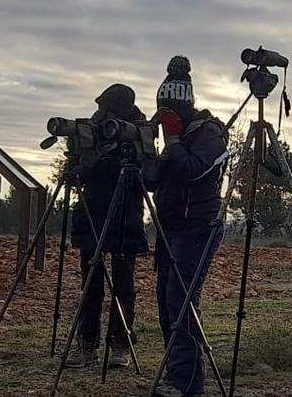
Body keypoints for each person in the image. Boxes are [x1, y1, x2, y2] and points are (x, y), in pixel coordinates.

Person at [151, 55, 228, 397]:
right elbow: (154, 181)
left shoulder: (209, 133)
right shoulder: (177, 137)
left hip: (198, 225)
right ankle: (175, 374)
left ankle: (185, 383)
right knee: (166, 301)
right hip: (170, 225)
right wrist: (144, 154)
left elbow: (193, 169)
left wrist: (173, 141)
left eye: (169, 113)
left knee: (181, 299)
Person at [65, 83, 149, 369]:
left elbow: (144, 174)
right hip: (92, 214)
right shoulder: (94, 129)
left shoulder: (138, 131)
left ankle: (120, 346)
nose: (100, 113)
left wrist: (103, 162)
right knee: (90, 284)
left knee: (123, 286)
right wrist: (79, 159)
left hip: (125, 214)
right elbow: (80, 165)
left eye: (106, 108)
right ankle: (87, 346)